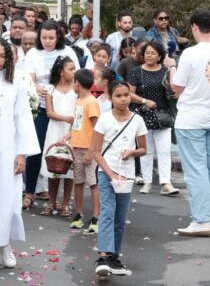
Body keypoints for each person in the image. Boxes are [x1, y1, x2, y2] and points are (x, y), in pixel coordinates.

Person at [0, 36, 39, 271]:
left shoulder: (15, 85)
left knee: (8, 201)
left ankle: (5, 245)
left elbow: (22, 120)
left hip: (7, 150)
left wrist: (21, 153)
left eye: (3, 56)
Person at [171, 8, 210, 236]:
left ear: (194, 27)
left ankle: (202, 220)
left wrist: (171, 67)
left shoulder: (190, 54)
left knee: (196, 169)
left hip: (192, 118)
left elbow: (177, 87)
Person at [92, 80, 147, 278]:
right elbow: (96, 151)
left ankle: (113, 256)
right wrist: (110, 173)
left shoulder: (137, 121)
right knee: (108, 212)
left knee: (121, 217)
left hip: (126, 176)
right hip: (106, 174)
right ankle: (103, 256)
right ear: (111, 98)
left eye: (126, 95)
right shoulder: (104, 119)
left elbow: (143, 149)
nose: (123, 99)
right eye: (118, 96)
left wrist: (132, 152)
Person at [23, 20, 79, 209]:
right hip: (40, 107)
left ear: (58, 37)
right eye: (44, 38)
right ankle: (30, 192)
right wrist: (37, 88)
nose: (47, 41)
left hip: (64, 109)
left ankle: (62, 200)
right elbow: (28, 79)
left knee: (65, 151)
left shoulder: (68, 52)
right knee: (36, 150)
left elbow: (76, 76)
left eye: (51, 38)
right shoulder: (32, 53)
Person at [127, 40, 179, 196]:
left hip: (163, 115)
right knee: (146, 150)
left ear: (160, 56)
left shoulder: (165, 71)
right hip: (142, 115)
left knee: (164, 150)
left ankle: (165, 183)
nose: (149, 56)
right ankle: (147, 182)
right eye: (147, 53)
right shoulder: (136, 72)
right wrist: (144, 101)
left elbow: (173, 90)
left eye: (153, 53)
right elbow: (129, 93)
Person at [58, 68, 101, 232]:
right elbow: (77, 124)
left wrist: (92, 151)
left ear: (78, 83)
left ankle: (96, 217)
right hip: (76, 148)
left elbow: (98, 128)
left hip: (88, 149)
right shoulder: (78, 101)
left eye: (73, 82)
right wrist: (67, 136)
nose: (72, 84)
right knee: (78, 181)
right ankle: (79, 214)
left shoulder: (91, 102)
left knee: (93, 183)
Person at [40, 56, 77, 218]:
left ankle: (66, 203)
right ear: (61, 72)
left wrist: (72, 127)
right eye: (71, 69)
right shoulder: (51, 89)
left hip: (71, 130)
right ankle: (51, 202)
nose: (74, 72)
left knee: (69, 168)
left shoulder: (76, 89)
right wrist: (65, 118)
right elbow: (49, 112)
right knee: (53, 165)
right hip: (55, 129)